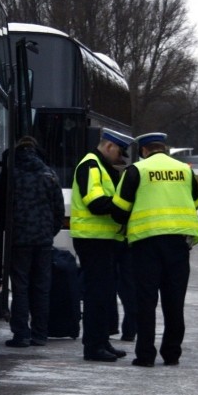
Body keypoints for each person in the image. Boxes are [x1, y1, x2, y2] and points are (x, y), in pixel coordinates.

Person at [111, 133, 198, 367]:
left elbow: (120, 209)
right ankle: (172, 354)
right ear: (165, 148)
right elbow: (195, 202)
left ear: (143, 151)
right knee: (174, 303)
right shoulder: (184, 170)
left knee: (146, 302)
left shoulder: (136, 171)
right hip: (179, 243)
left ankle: (145, 355)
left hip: (146, 243)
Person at [71, 128, 134, 362]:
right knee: (96, 296)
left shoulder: (103, 167)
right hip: (92, 240)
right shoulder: (91, 165)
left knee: (104, 295)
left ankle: (102, 341)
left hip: (104, 241)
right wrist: (124, 207)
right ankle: (93, 346)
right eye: (120, 153)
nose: (121, 159)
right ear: (109, 146)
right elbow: (95, 203)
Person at [4, 136, 65, 348]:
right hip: (43, 241)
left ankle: (21, 334)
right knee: (41, 287)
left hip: (18, 239)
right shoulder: (49, 174)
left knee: (20, 286)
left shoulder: (11, 173)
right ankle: (40, 334)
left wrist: (8, 230)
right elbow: (59, 210)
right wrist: (49, 231)